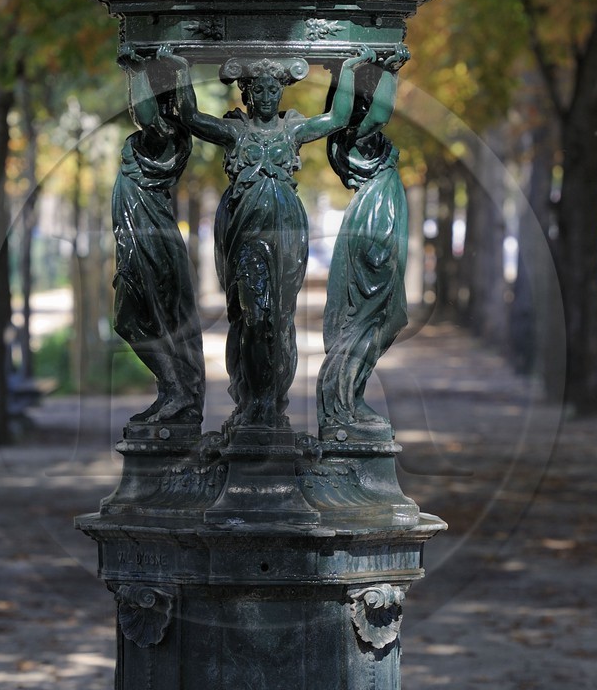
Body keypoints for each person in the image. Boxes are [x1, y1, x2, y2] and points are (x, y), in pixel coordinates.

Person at [166, 50, 366, 430]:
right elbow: (191, 117)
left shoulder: (292, 131)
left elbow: (338, 118)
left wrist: (350, 70)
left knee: (280, 320)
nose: (267, 96)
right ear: (248, 94)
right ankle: (254, 399)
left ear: (281, 92)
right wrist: (179, 71)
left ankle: (271, 402)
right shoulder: (236, 133)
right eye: (259, 89)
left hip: (287, 237)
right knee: (254, 317)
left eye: (273, 89)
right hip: (248, 238)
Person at [317, 46, 410, 435]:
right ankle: (344, 400)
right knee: (372, 315)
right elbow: (381, 113)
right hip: (376, 222)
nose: (371, 100)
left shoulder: (357, 140)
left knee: (384, 316)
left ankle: (349, 395)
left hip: (379, 216)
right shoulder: (355, 139)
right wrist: (390, 71)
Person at [112, 45, 205, 428]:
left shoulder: (167, 135)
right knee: (139, 317)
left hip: (148, 239)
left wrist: (137, 70)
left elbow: (146, 115)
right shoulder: (161, 134)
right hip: (139, 236)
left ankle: (177, 389)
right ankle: (172, 390)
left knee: (133, 317)